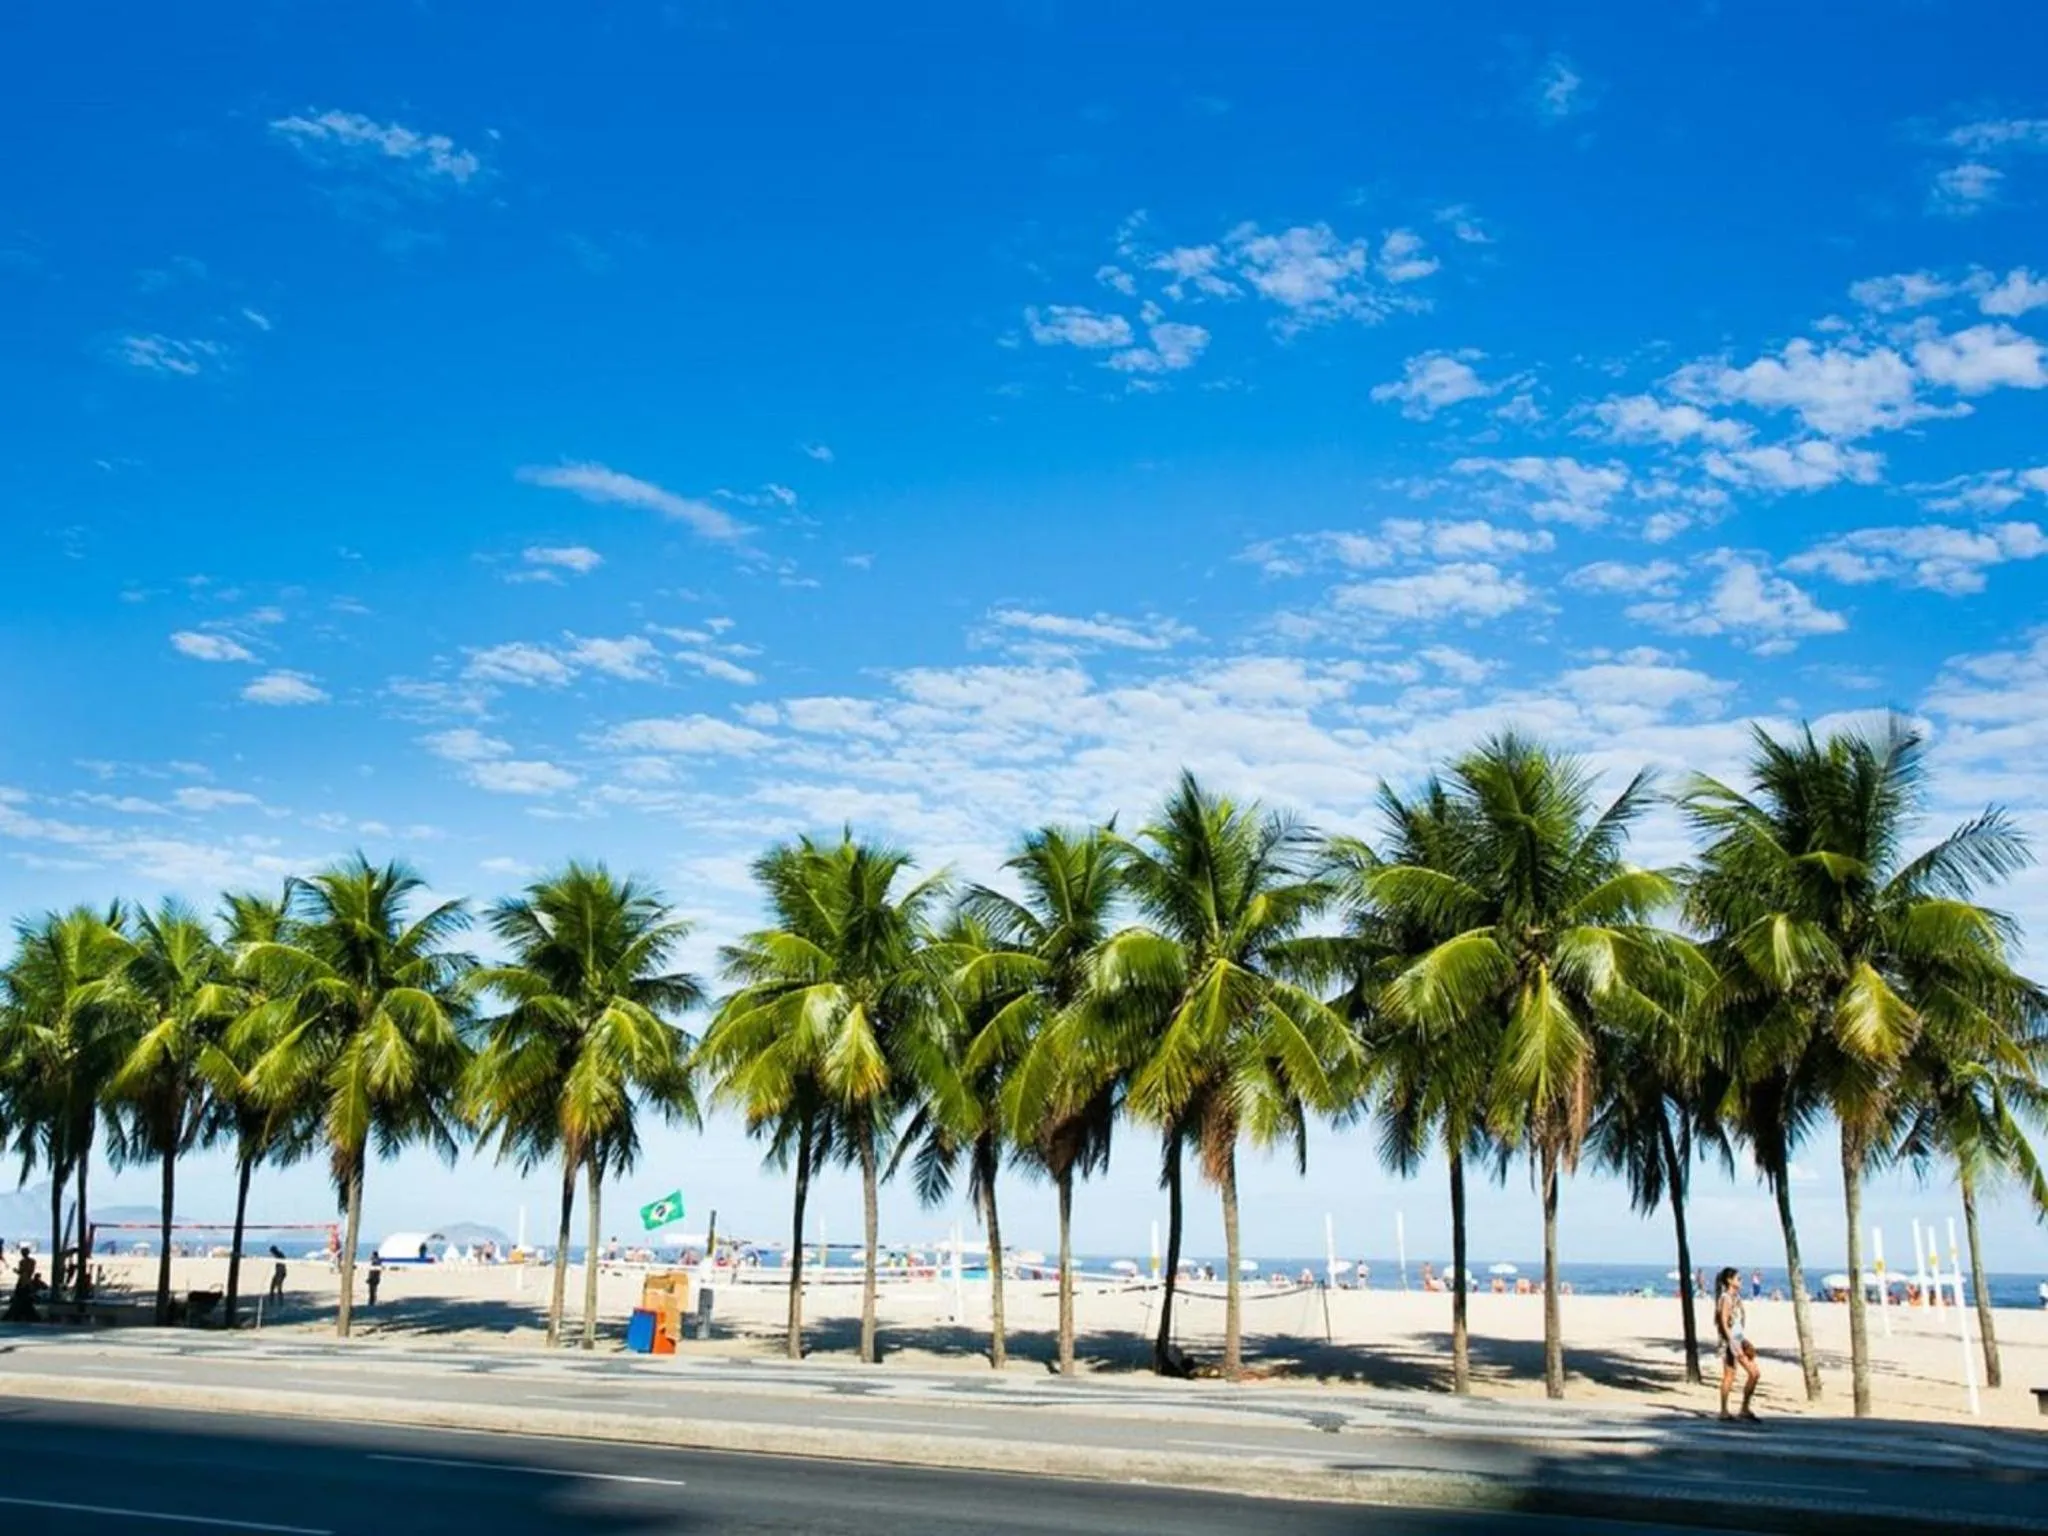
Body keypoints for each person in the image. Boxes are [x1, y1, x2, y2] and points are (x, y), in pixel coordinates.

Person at [1716, 1265, 1761, 1422]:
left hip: (1739, 1338)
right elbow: (1723, 1321)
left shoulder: (1737, 1297)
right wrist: (1732, 1343)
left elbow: (1737, 1323)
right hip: (1731, 1341)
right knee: (1731, 1375)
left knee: (1754, 1373)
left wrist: (1743, 1340)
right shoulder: (1726, 1298)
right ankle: (1724, 1410)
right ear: (1730, 1280)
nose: (1741, 1281)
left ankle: (1744, 1408)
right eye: (1738, 1278)